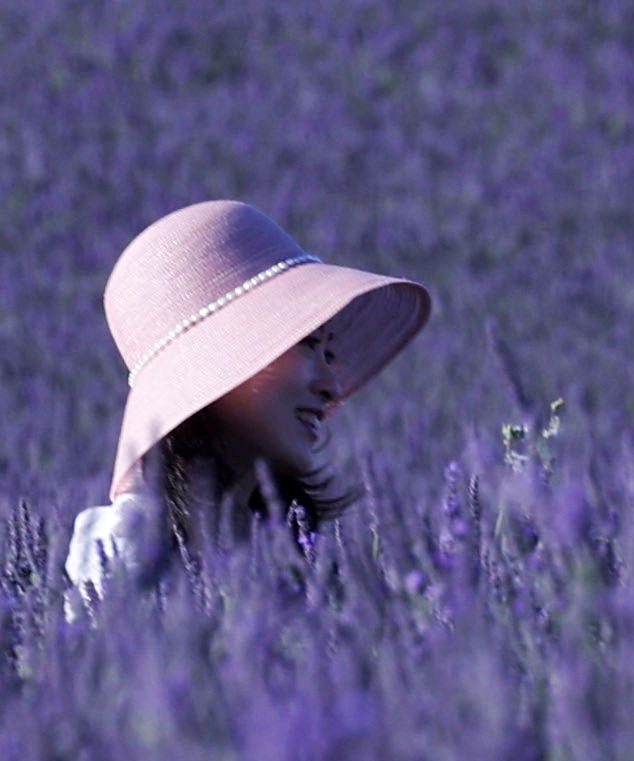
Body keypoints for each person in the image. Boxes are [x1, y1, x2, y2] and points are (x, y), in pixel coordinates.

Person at [63, 201, 433, 601]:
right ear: (224, 366)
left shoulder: (294, 548)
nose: (332, 386)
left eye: (329, 354)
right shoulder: (124, 558)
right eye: (308, 345)